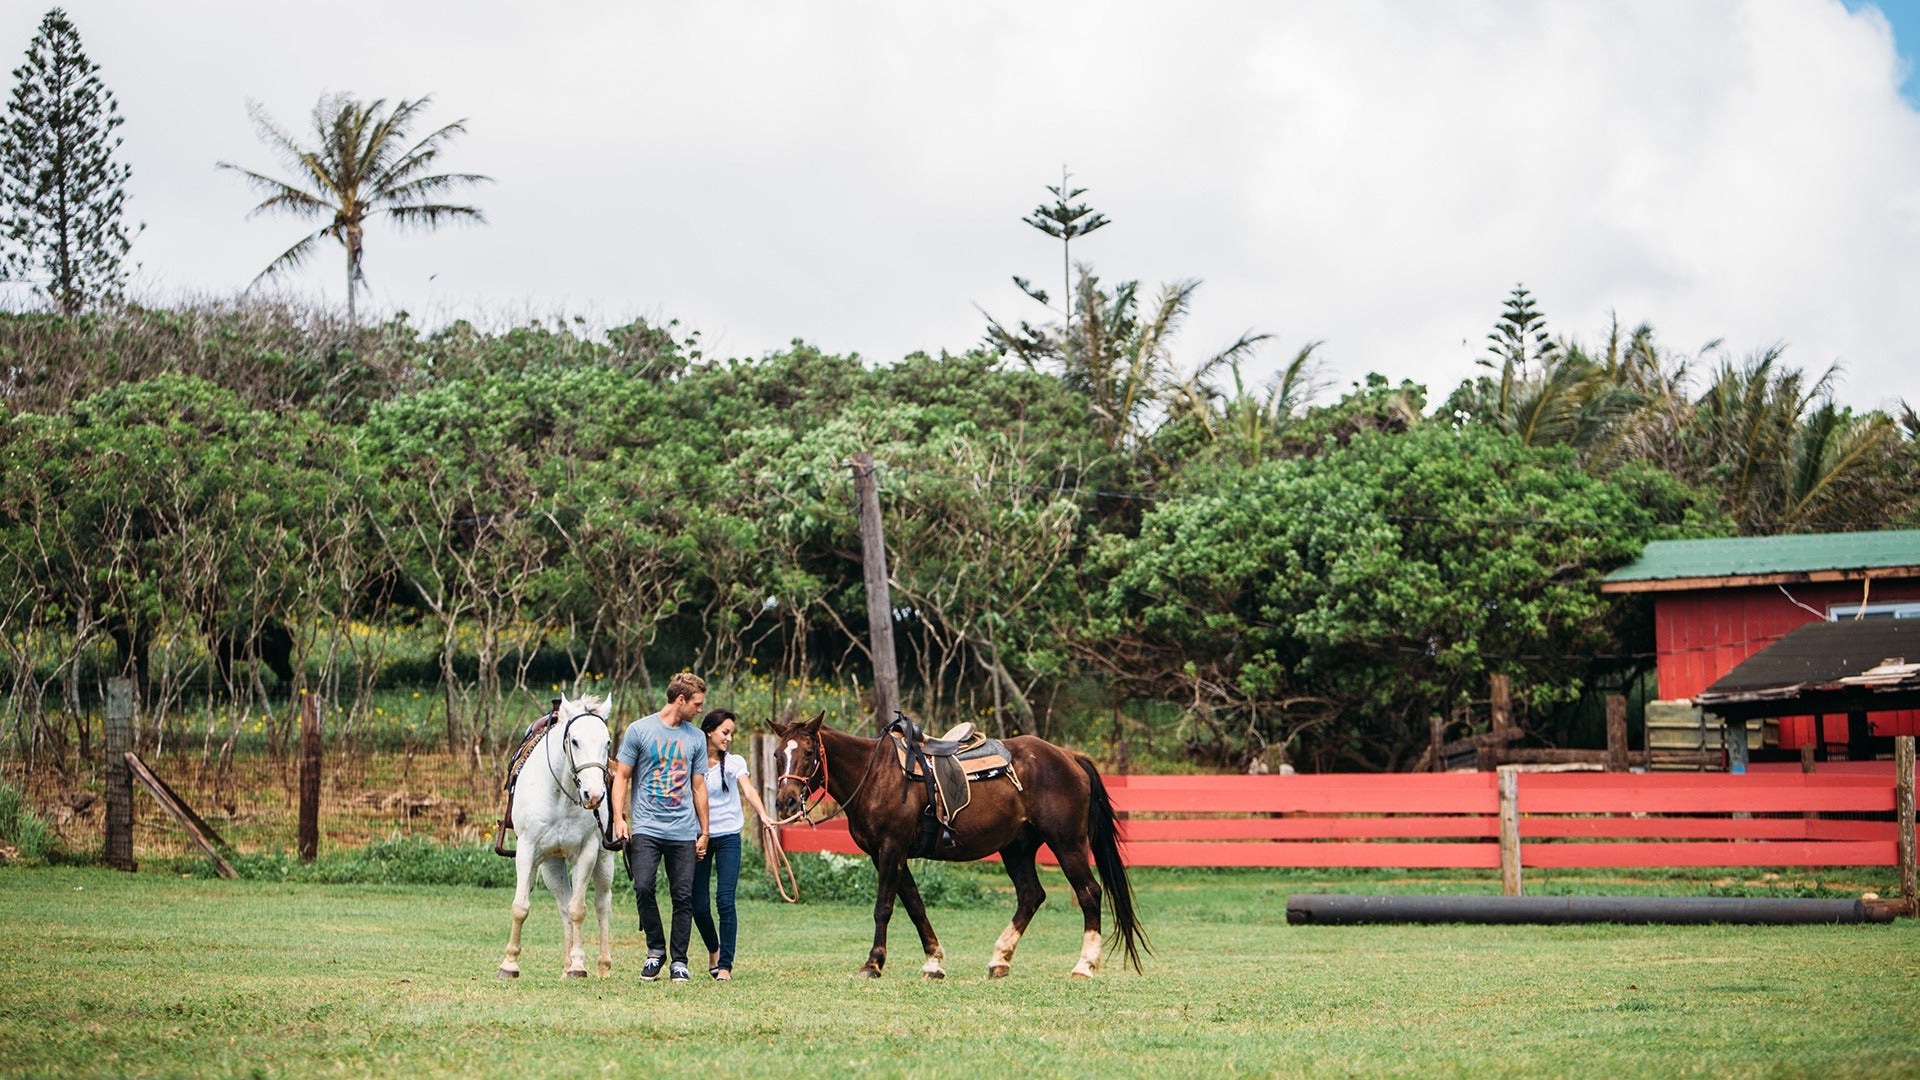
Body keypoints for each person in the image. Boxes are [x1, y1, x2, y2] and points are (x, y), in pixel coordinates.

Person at [611, 672, 711, 983]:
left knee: (683, 896)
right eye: (696, 704)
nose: (700, 710)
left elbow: (698, 787)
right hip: (646, 826)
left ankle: (679, 960)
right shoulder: (639, 730)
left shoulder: (695, 738)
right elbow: (622, 777)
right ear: (680, 700)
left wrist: (704, 831)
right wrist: (619, 818)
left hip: (682, 830)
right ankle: (655, 951)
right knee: (643, 886)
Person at [691, 708, 773, 981]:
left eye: (731, 734)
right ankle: (713, 948)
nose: (728, 738)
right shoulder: (694, 761)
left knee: (725, 901)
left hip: (728, 837)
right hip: (700, 836)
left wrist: (763, 816)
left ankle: (724, 964)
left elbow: (748, 789)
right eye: (725, 732)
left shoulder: (734, 761)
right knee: (698, 904)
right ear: (709, 732)